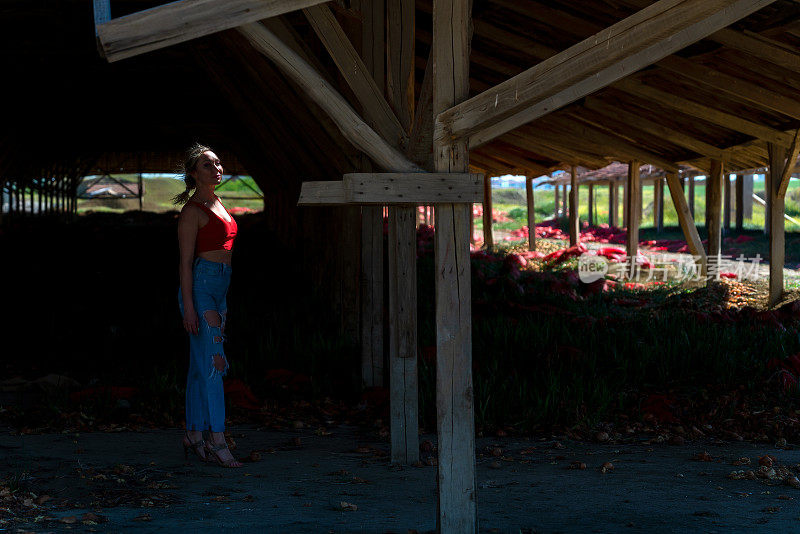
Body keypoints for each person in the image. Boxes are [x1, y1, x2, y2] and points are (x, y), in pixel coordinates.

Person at [174, 143, 242, 468]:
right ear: (192, 173)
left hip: (220, 288)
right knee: (215, 365)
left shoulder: (217, 202)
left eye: (217, 162)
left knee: (200, 367)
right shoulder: (192, 212)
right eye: (207, 165)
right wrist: (188, 306)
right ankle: (217, 440)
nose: (216, 168)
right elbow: (185, 263)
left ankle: (193, 433)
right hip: (201, 288)